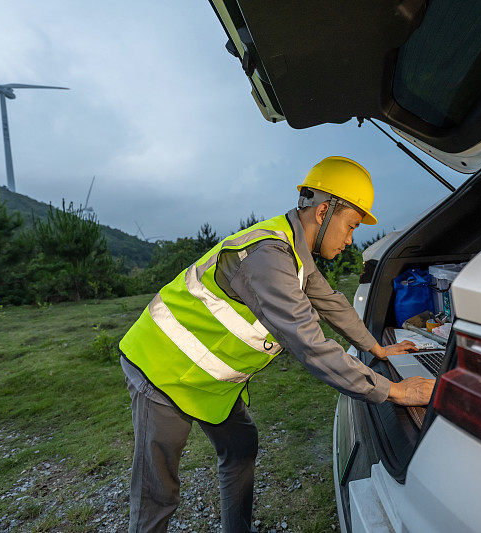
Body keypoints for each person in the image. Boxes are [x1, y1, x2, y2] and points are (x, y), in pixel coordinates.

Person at [119, 156, 435, 532]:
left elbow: (331, 302)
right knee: (158, 492)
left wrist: (378, 349)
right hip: (162, 369)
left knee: (240, 445)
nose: (351, 239)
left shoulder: (293, 252)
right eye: (350, 225)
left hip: (207, 382)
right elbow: (311, 346)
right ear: (323, 211)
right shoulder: (268, 257)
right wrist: (394, 391)